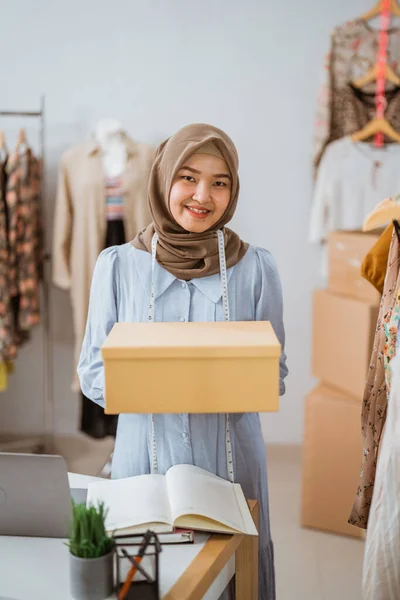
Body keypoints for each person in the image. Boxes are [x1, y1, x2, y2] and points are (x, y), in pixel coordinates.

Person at [78, 123, 288, 600]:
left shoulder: (257, 268)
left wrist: (187, 380)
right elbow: (93, 375)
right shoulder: (117, 265)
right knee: (146, 577)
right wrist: (175, 384)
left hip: (232, 460)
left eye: (220, 182)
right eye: (188, 177)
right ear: (163, 178)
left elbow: (273, 373)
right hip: (142, 461)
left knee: (235, 578)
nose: (202, 195)